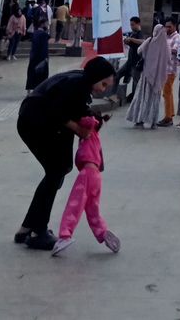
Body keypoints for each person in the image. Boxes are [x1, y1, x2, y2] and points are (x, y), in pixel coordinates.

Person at [15, 57, 116, 251]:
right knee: (56, 172)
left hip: (34, 121)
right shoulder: (78, 84)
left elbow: (75, 108)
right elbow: (57, 111)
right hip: (35, 123)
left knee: (57, 171)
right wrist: (79, 129)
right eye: (103, 84)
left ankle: (27, 228)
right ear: (95, 77)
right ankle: (38, 232)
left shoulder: (81, 83)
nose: (103, 89)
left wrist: (95, 119)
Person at [51, 113, 120, 256]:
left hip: (87, 175)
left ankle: (65, 235)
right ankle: (103, 233)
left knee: (74, 205)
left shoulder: (90, 130)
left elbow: (88, 121)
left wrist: (75, 113)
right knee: (92, 209)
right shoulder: (95, 138)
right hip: (95, 176)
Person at [126, 23, 171, 130]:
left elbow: (139, 50)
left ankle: (139, 120)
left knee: (142, 97)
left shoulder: (150, 40)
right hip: (158, 77)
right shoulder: (166, 45)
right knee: (154, 99)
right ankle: (153, 122)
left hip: (147, 75)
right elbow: (169, 59)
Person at [157, 17, 180, 128]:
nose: (167, 28)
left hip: (170, 69)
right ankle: (169, 115)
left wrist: (163, 48)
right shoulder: (165, 36)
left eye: (169, 26)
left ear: (174, 26)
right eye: (166, 26)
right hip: (164, 68)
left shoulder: (177, 37)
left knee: (167, 93)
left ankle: (168, 118)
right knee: (167, 93)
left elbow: (175, 50)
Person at [117, 16, 144, 99]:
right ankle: (115, 92)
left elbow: (143, 41)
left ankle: (134, 98)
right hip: (129, 61)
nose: (131, 27)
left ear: (138, 24)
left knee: (135, 82)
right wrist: (127, 41)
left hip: (136, 63)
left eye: (133, 25)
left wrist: (131, 39)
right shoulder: (133, 33)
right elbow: (132, 44)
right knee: (117, 74)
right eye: (130, 25)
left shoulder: (140, 33)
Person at [26, 18, 50, 92]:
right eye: (46, 23)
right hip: (41, 57)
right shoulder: (43, 34)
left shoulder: (35, 33)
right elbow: (44, 48)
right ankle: (40, 89)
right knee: (42, 74)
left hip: (34, 56)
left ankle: (29, 89)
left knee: (32, 73)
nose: (47, 25)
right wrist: (46, 57)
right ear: (43, 24)